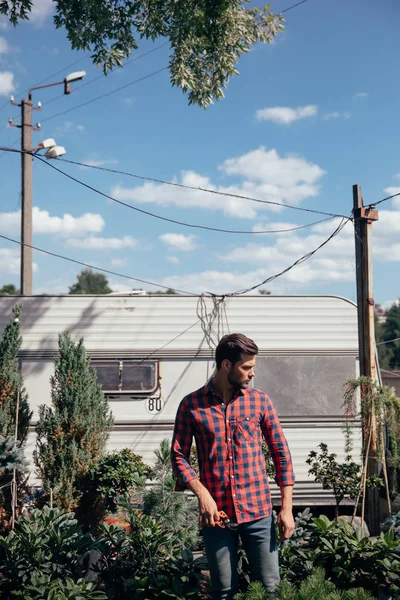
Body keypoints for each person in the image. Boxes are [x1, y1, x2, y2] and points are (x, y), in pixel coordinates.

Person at [171, 333, 295, 600]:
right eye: (246, 367)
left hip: (259, 513)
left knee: (270, 590)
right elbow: (179, 455)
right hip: (217, 519)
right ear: (226, 365)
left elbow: (281, 454)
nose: (252, 374)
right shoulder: (191, 405)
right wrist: (202, 494)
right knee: (224, 592)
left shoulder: (260, 401)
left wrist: (286, 509)